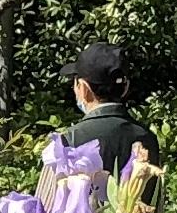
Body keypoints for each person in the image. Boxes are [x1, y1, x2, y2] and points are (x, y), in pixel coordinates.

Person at [61, 43, 149, 177]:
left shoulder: (69, 140)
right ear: (125, 88)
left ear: (84, 89)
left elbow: (48, 195)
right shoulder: (147, 138)